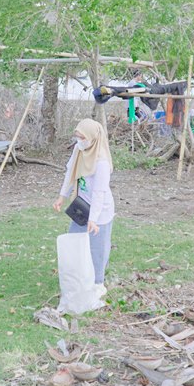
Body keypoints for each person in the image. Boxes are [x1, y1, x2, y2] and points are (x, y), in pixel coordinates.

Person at [53, 119, 115, 296]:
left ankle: (97, 283)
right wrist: (61, 196)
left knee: (98, 248)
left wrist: (94, 219)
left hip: (100, 210)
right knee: (76, 241)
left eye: (83, 138)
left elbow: (99, 193)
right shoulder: (79, 150)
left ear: (93, 138)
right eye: (77, 137)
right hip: (80, 206)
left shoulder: (101, 161)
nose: (79, 141)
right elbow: (70, 174)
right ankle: (78, 276)